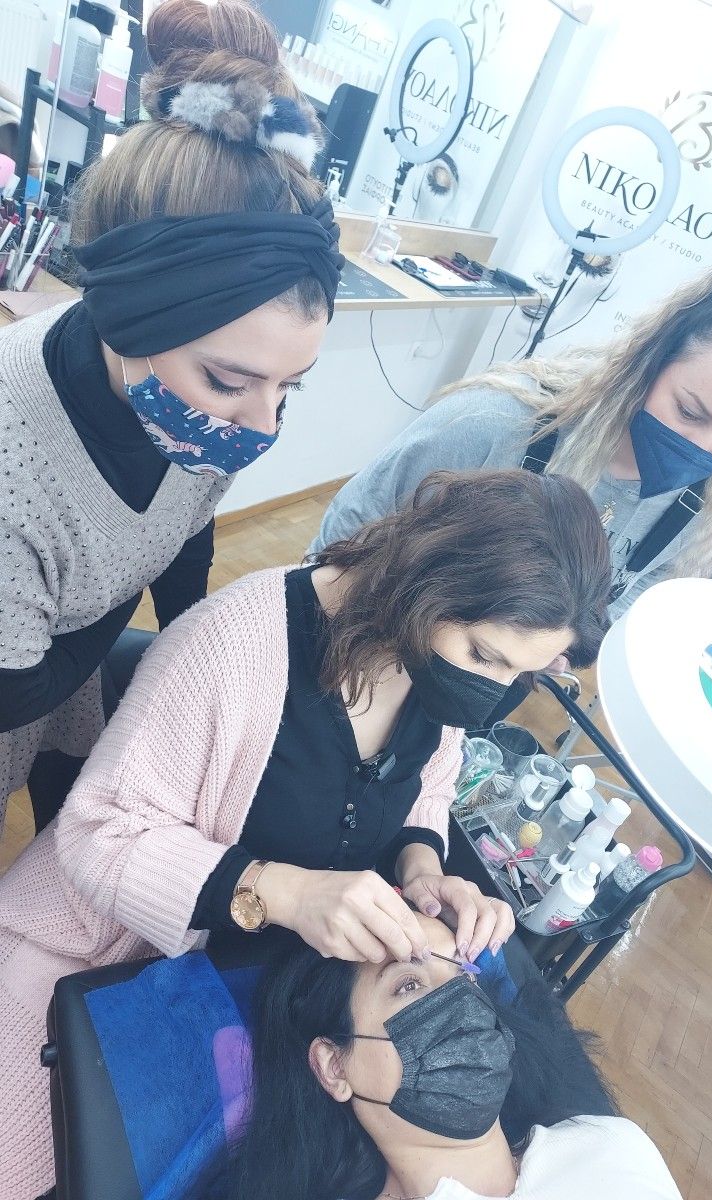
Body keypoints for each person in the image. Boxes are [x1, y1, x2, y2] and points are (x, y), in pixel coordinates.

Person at [0, 467, 611, 1197]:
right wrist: (280, 892)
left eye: (522, 675)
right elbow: (96, 833)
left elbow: (425, 788)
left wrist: (422, 869)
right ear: (427, 583)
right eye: (486, 657)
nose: (493, 693)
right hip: (104, 958)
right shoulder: (237, 644)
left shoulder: (432, 666)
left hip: (261, 991)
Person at [0, 0, 344, 835]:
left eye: (291, 387)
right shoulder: (15, 470)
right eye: (230, 381)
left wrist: (191, 631)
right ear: (125, 317)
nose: (262, 426)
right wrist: (135, 624)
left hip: (65, 671)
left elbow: (186, 521)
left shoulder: (188, 410)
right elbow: (15, 691)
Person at [311, 244, 712, 622]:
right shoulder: (494, 423)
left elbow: (640, 594)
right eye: (689, 412)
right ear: (650, 363)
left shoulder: (702, 508)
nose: (699, 449)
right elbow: (348, 532)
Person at [223, 916, 682, 1200]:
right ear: (334, 1067)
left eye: (465, 973)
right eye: (408, 984)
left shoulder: (610, 1144)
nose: (462, 1002)